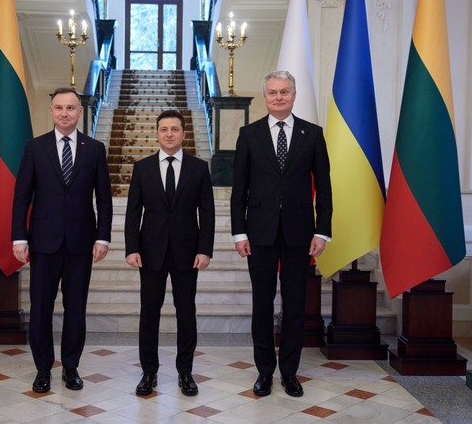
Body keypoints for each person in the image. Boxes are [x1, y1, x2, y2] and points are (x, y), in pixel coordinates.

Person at [230, 71, 332, 398]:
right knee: (261, 305)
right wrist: (239, 232)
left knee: (295, 307)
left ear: (293, 95)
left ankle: (289, 372)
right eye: (273, 92)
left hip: (299, 234)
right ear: (265, 97)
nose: (278, 97)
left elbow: (325, 188)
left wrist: (323, 231)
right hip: (259, 234)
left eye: (284, 92)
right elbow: (239, 189)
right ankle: (264, 371)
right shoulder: (249, 134)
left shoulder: (312, 134)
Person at [12, 87, 112, 393]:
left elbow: (104, 199)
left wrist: (103, 237)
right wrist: (19, 237)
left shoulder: (94, 149)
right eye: (59, 108)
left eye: (70, 108)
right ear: (51, 111)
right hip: (43, 242)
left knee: (76, 308)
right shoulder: (35, 147)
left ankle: (71, 367)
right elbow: (21, 196)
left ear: (80, 111)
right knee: (41, 307)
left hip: (81, 243)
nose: (64, 113)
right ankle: (43, 368)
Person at [124, 110, 215, 397]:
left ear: (183, 134)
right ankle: (148, 372)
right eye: (164, 129)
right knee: (149, 312)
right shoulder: (142, 168)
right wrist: (131, 248)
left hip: (187, 252)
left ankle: (185, 372)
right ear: (157, 133)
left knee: (186, 311)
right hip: (150, 251)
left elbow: (208, 213)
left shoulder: (199, 168)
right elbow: (133, 213)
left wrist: (205, 249)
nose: (169, 134)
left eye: (175, 129)